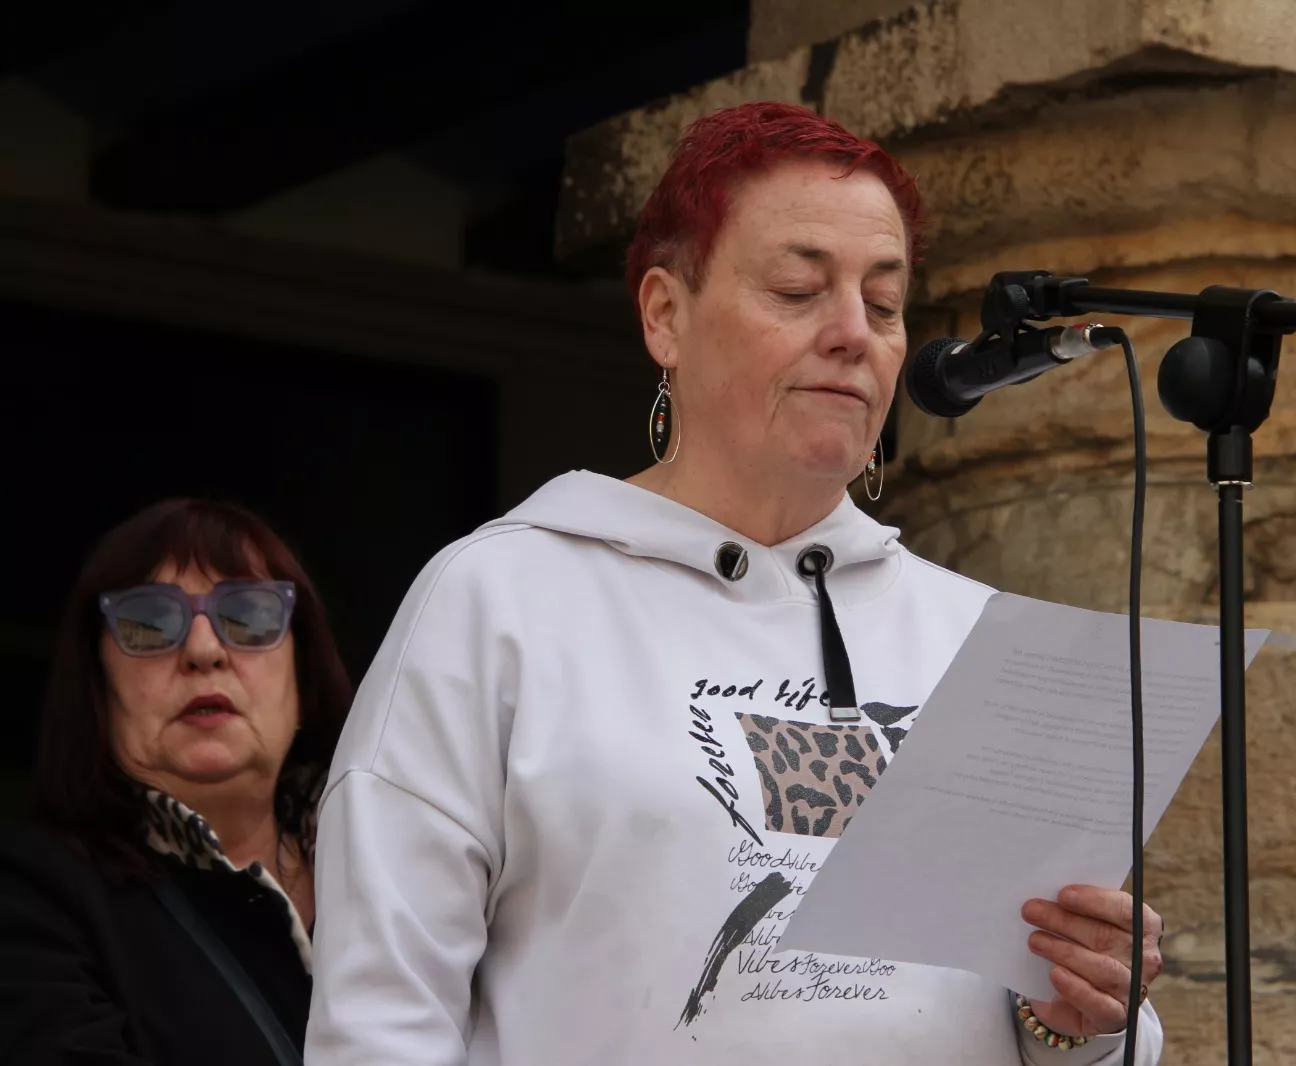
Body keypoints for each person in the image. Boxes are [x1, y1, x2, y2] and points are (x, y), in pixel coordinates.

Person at [306, 101, 1164, 1065]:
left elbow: (1052, 1023)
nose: (854, 333)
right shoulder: (498, 601)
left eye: (884, 305)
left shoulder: (977, 638)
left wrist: (1079, 1019)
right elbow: (381, 1021)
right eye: (800, 289)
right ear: (665, 316)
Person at [0, 499, 351, 1065]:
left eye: (250, 614)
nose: (204, 650)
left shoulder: (398, 861)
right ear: (97, 687)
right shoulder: (33, 895)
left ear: (303, 672)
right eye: (148, 621)